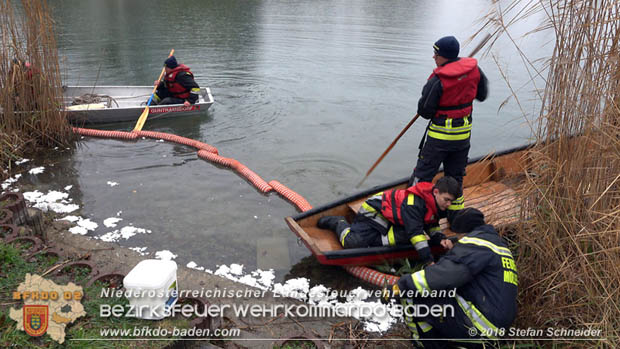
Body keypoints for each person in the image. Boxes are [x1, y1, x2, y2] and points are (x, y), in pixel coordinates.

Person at [388, 208, 518, 348]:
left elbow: (445, 276)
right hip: (496, 331)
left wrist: (402, 285)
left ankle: (426, 345)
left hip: (478, 327)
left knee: (412, 295)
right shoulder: (498, 246)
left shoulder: (475, 243)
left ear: (463, 232)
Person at [409, 36, 489, 220]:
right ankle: (455, 217)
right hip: (462, 138)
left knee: (422, 176)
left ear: (444, 56)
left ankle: (412, 214)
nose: (433, 57)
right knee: (455, 177)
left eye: (436, 54)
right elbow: (482, 95)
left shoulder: (438, 80)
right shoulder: (474, 70)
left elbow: (425, 111)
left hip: (439, 138)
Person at [317, 176, 461, 266]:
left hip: (394, 219)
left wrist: (440, 239)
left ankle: (375, 242)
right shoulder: (414, 204)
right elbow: (416, 234)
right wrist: (429, 262)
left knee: (404, 237)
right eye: (446, 200)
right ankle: (338, 222)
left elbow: (432, 224)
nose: (448, 204)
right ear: (436, 192)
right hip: (373, 213)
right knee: (353, 243)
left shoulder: (436, 203)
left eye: (451, 201)